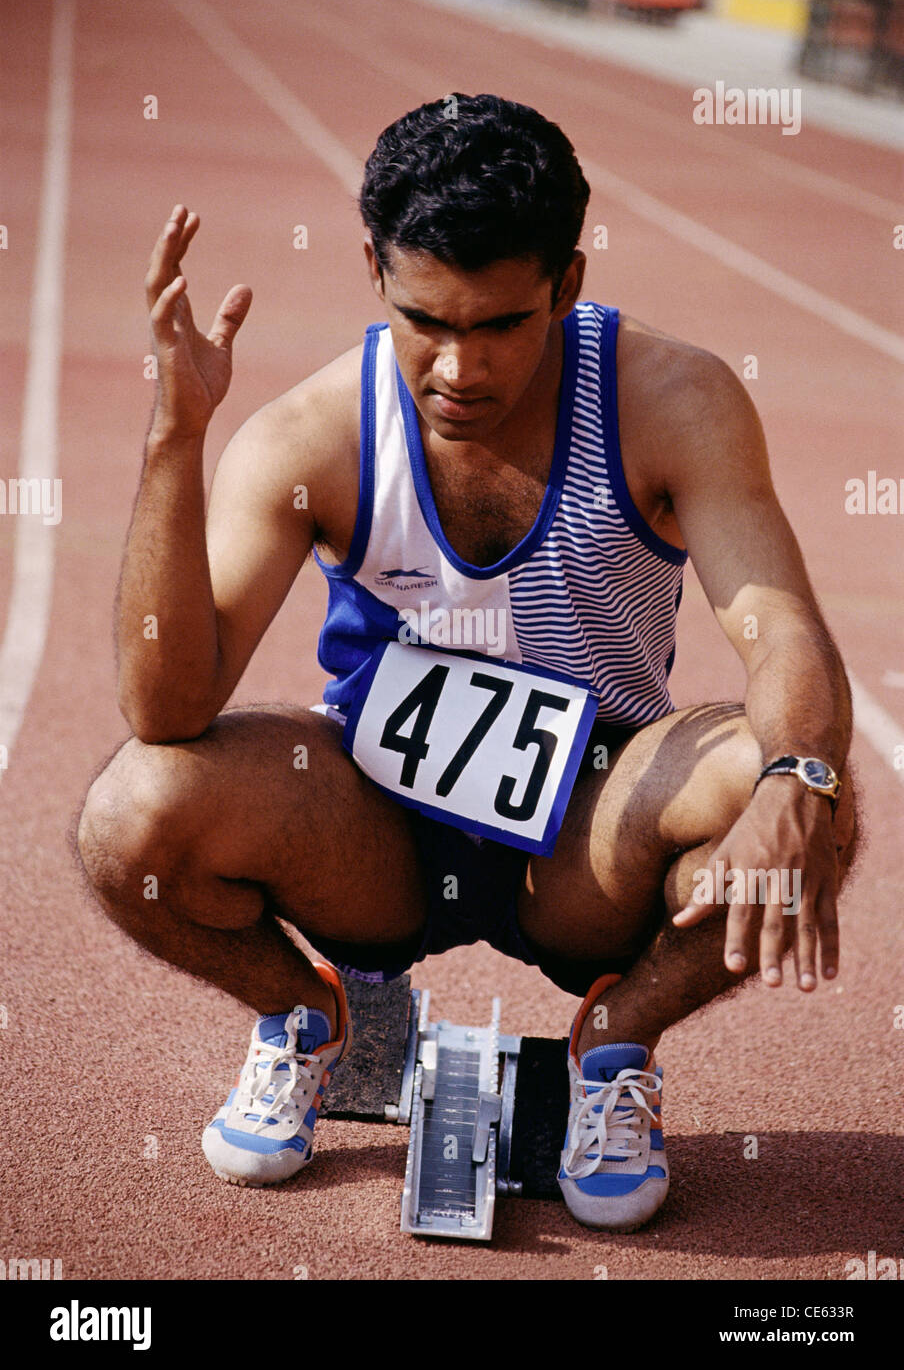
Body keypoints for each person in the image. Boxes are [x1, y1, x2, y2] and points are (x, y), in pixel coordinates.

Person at [77, 94, 857, 1233]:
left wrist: (801, 781)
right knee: (131, 809)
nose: (456, 367)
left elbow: (781, 629)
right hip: (375, 830)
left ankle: (614, 1042)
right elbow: (168, 702)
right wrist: (173, 441)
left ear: (568, 284)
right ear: (372, 269)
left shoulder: (670, 400)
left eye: (500, 325)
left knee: (807, 789)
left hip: (595, 820)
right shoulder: (318, 434)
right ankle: (313, 1019)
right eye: (423, 319)